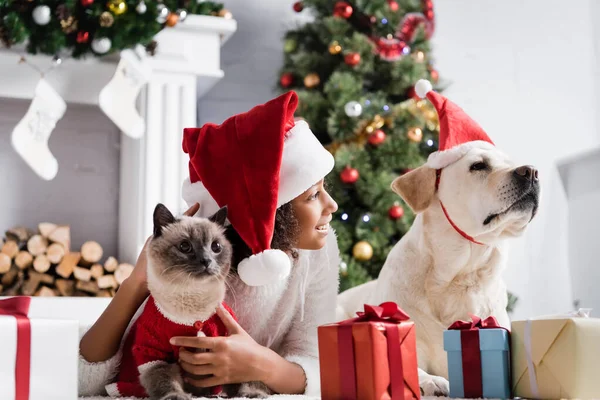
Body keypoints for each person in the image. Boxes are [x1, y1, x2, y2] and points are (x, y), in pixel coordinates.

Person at [78, 91, 341, 396]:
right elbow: (85, 381)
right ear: (274, 211)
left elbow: (322, 371)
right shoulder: (193, 257)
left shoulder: (318, 252)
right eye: (312, 195)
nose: (331, 205)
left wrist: (260, 364)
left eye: (324, 189)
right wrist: (138, 282)